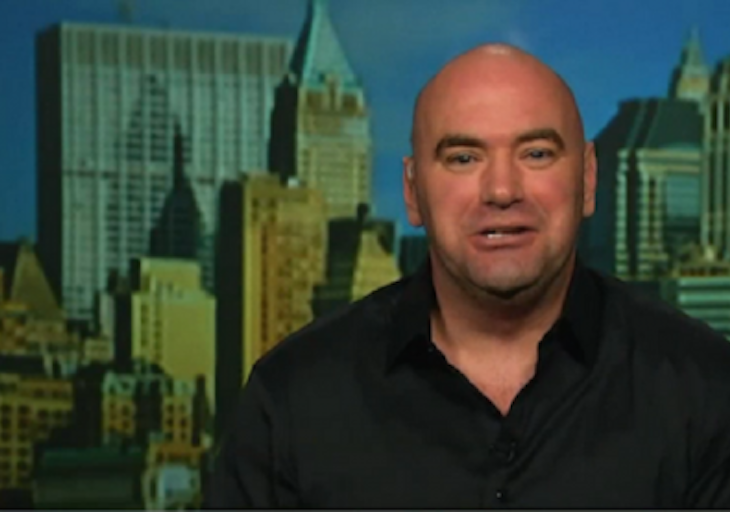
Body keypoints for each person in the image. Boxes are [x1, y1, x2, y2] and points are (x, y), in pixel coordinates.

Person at [205, 43, 730, 508]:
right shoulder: (294, 397)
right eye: (463, 158)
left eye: (536, 154)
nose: (501, 190)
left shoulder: (705, 389)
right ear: (412, 192)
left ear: (588, 180)